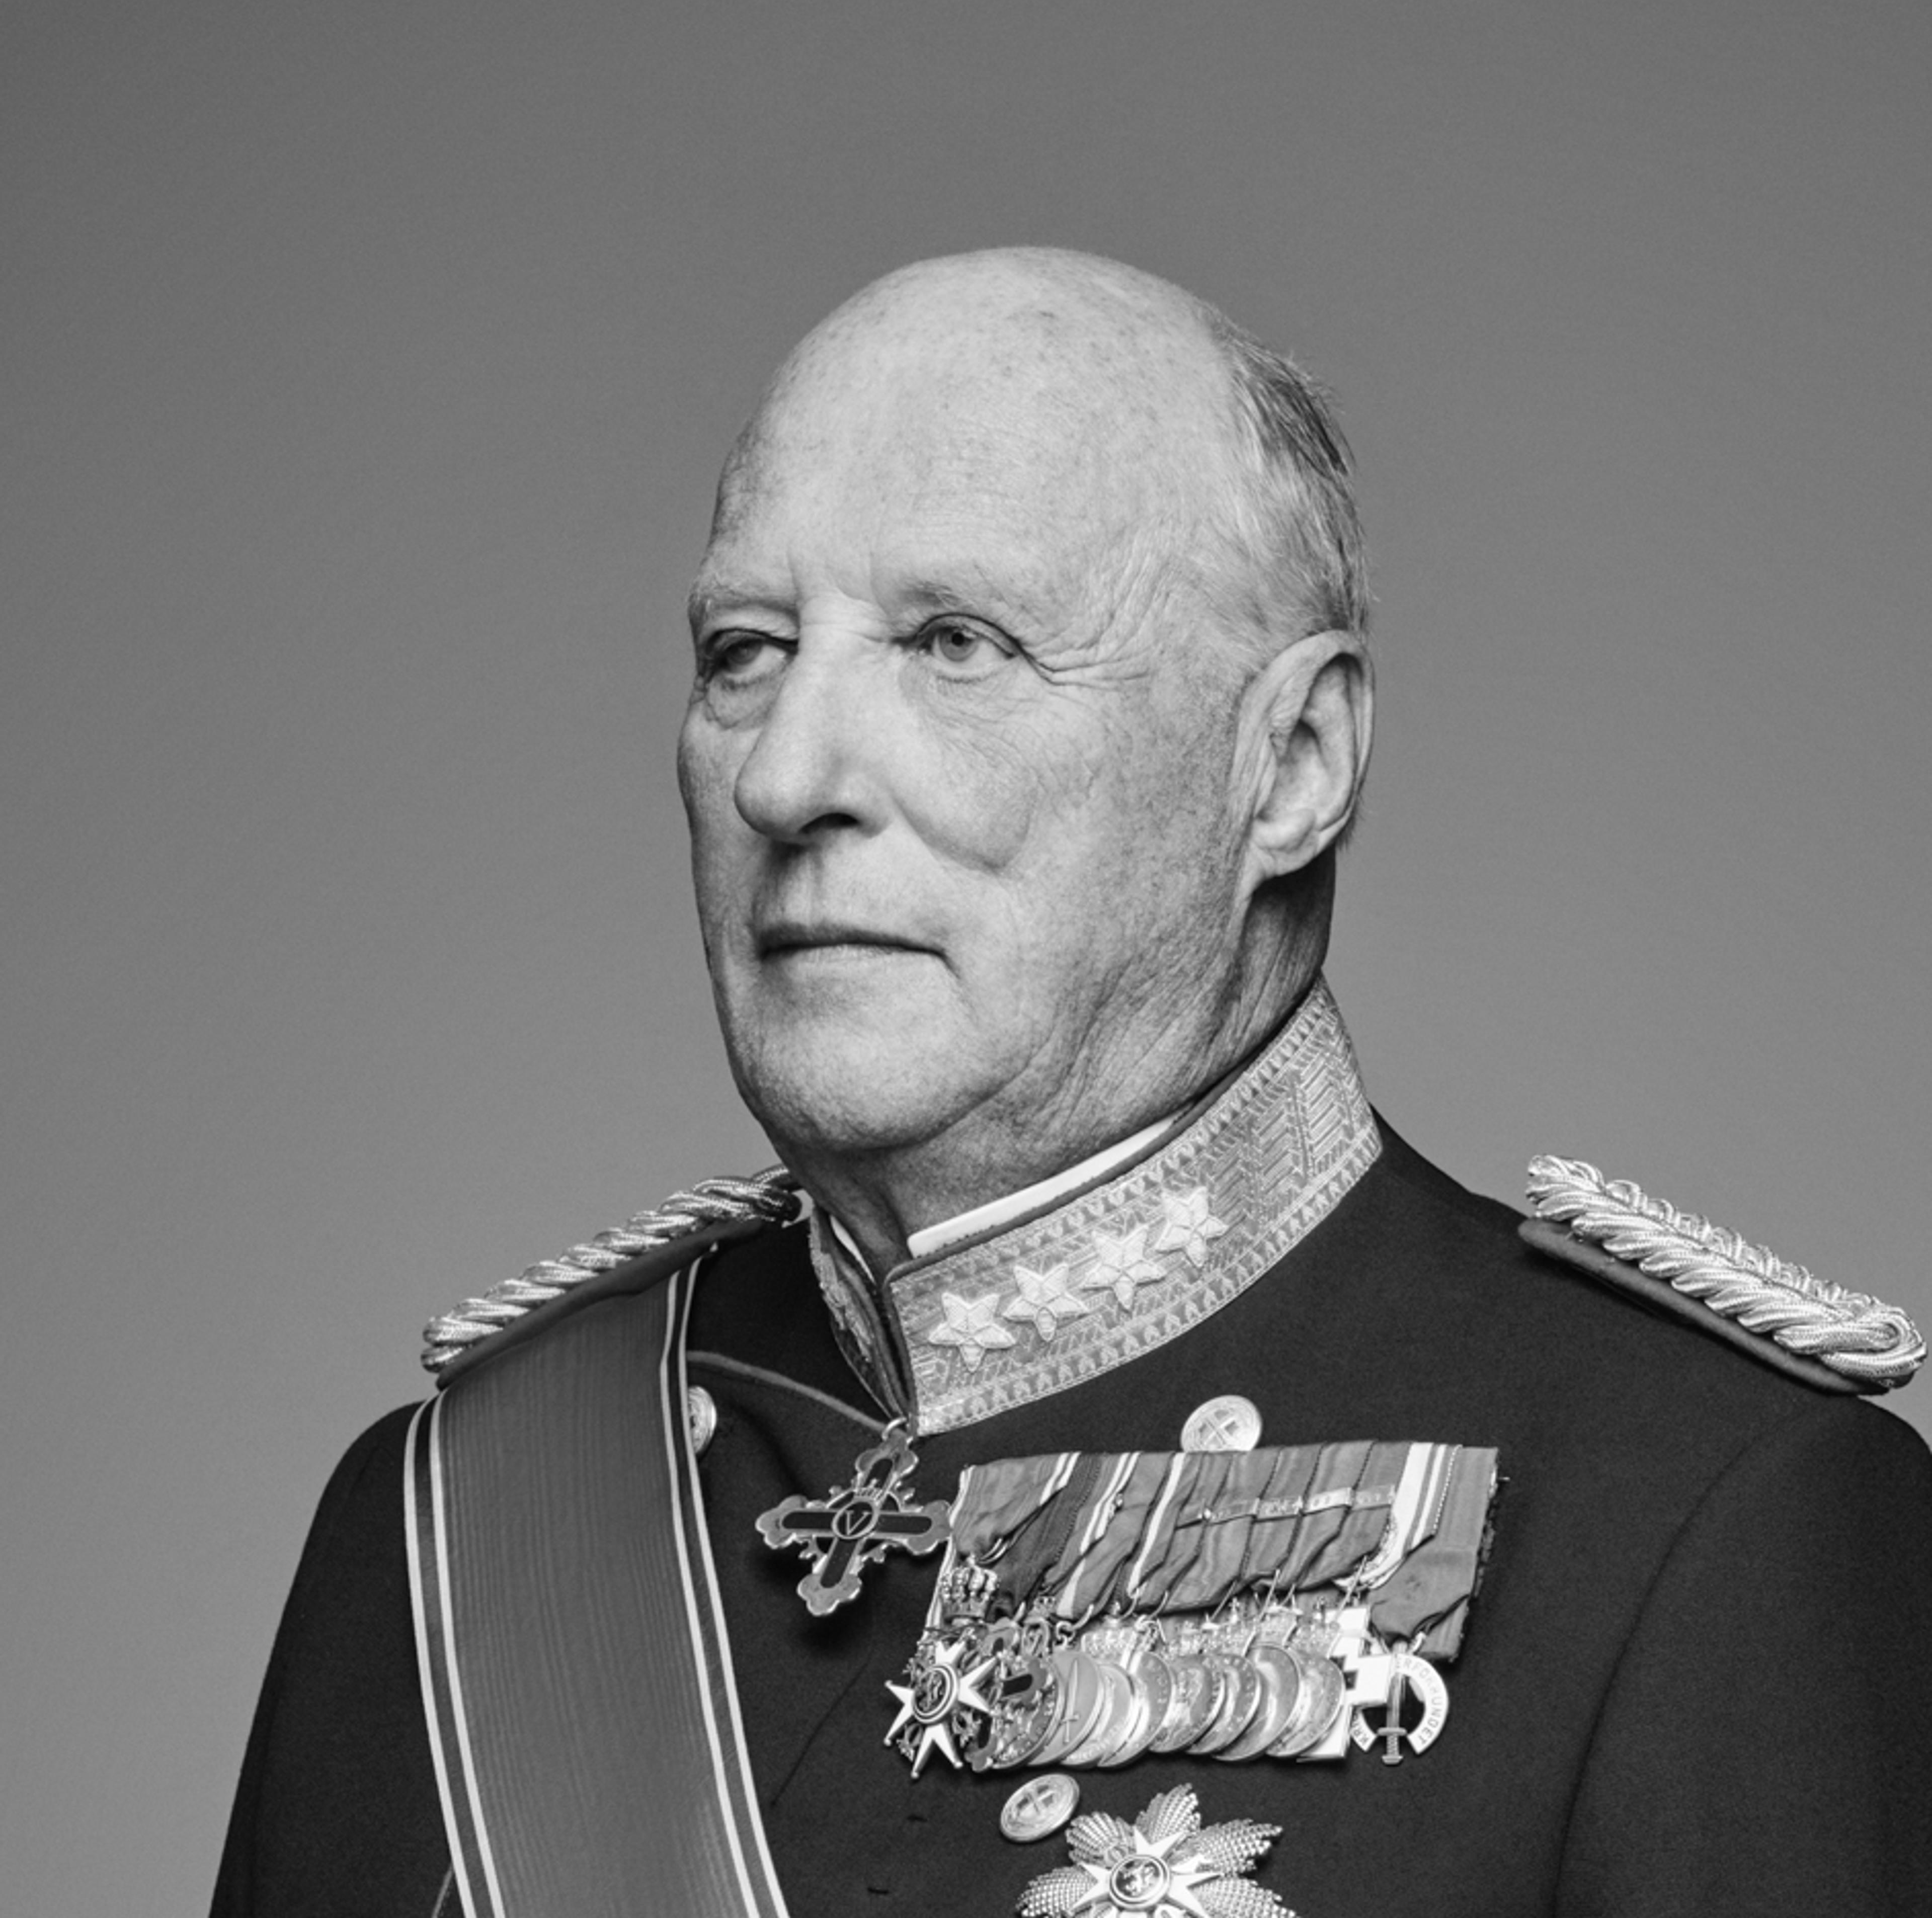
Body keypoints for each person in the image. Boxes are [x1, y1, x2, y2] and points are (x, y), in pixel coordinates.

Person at [213, 248, 1932, 1918]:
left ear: (1292, 763)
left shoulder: (1697, 1516)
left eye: (956, 643)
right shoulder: (453, 1527)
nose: (787, 779)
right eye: (746, 650)